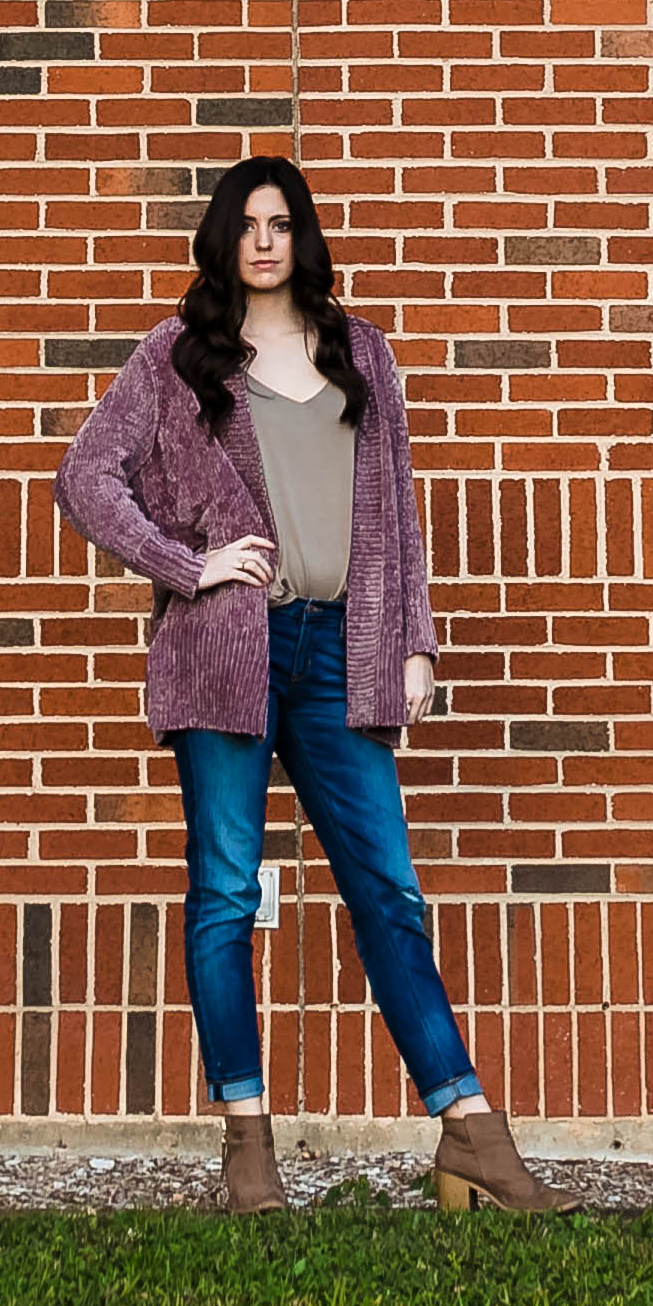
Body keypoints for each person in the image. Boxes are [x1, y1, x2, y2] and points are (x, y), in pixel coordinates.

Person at [53, 157, 575, 1216]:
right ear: (222, 238)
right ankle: (247, 1148)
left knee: (386, 890)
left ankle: (468, 1126)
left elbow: (396, 517)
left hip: (342, 653)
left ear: (303, 238)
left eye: (279, 223)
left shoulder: (361, 356)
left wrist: (413, 645)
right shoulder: (176, 358)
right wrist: (184, 564)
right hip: (227, 655)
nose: (261, 242)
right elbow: (85, 476)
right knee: (226, 897)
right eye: (243, 224)